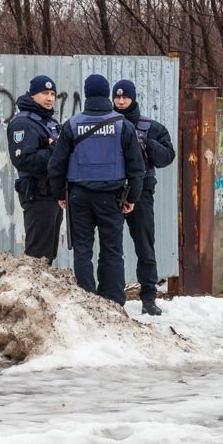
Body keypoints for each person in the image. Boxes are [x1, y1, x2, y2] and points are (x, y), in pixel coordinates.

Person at [48, 74, 145, 306]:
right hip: (112, 196)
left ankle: (86, 301)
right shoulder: (124, 125)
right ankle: (112, 301)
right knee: (112, 249)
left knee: (82, 248)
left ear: (87, 94)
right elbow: (136, 166)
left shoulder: (72, 125)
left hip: (79, 196)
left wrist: (60, 195)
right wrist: (132, 197)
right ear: (107, 94)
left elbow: (56, 165)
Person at [112, 79, 175, 316]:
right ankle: (113, 295)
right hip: (112, 191)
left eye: (124, 97)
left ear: (133, 98)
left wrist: (146, 144)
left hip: (142, 193)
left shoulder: (151, 127)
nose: (120, 101)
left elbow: (168, 157)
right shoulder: (106, 125)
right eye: (117, 97)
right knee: (112, 246)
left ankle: (148, 296)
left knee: (145, 245)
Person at [7, 74, 62, 262]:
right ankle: (30, 290)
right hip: (37, 193)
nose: (49, 98)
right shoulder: (23, 123)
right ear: (32, 95)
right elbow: (24, 160)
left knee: (49, 252)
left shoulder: (50, 122)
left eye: (53, 93)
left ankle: (42, 289)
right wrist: (54, 149)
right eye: (45, 93)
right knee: (38, 253)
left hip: (53, 192)